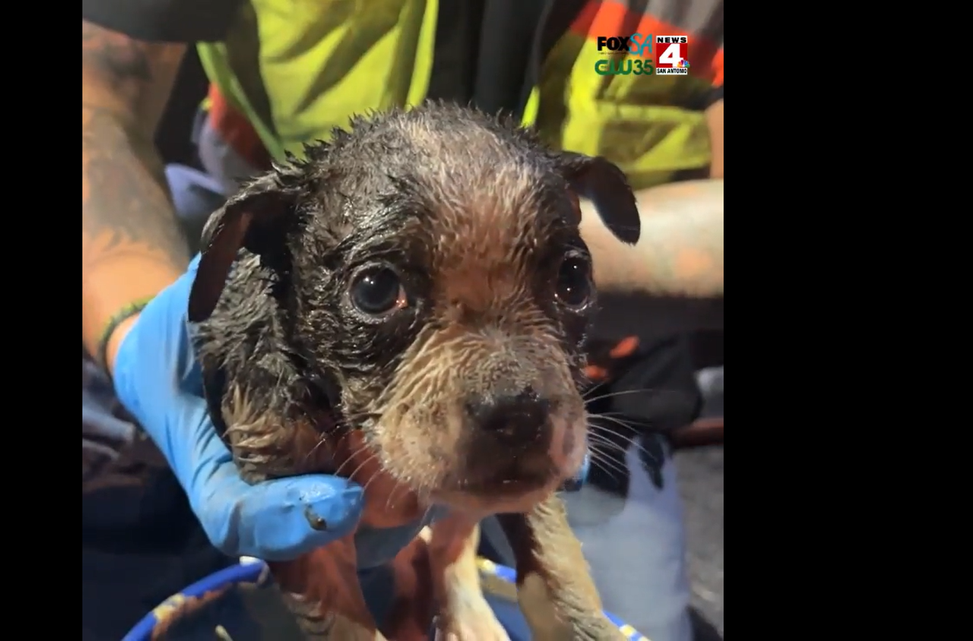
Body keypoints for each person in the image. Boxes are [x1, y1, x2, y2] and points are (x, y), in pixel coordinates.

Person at [81, 1, 723, 639]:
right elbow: (99, 91)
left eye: (568, 281)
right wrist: (131, 330)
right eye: (378, 290)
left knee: (626, 627)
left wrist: (512, 242)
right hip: (269, 280)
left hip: (607, 371)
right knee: (128, 581)